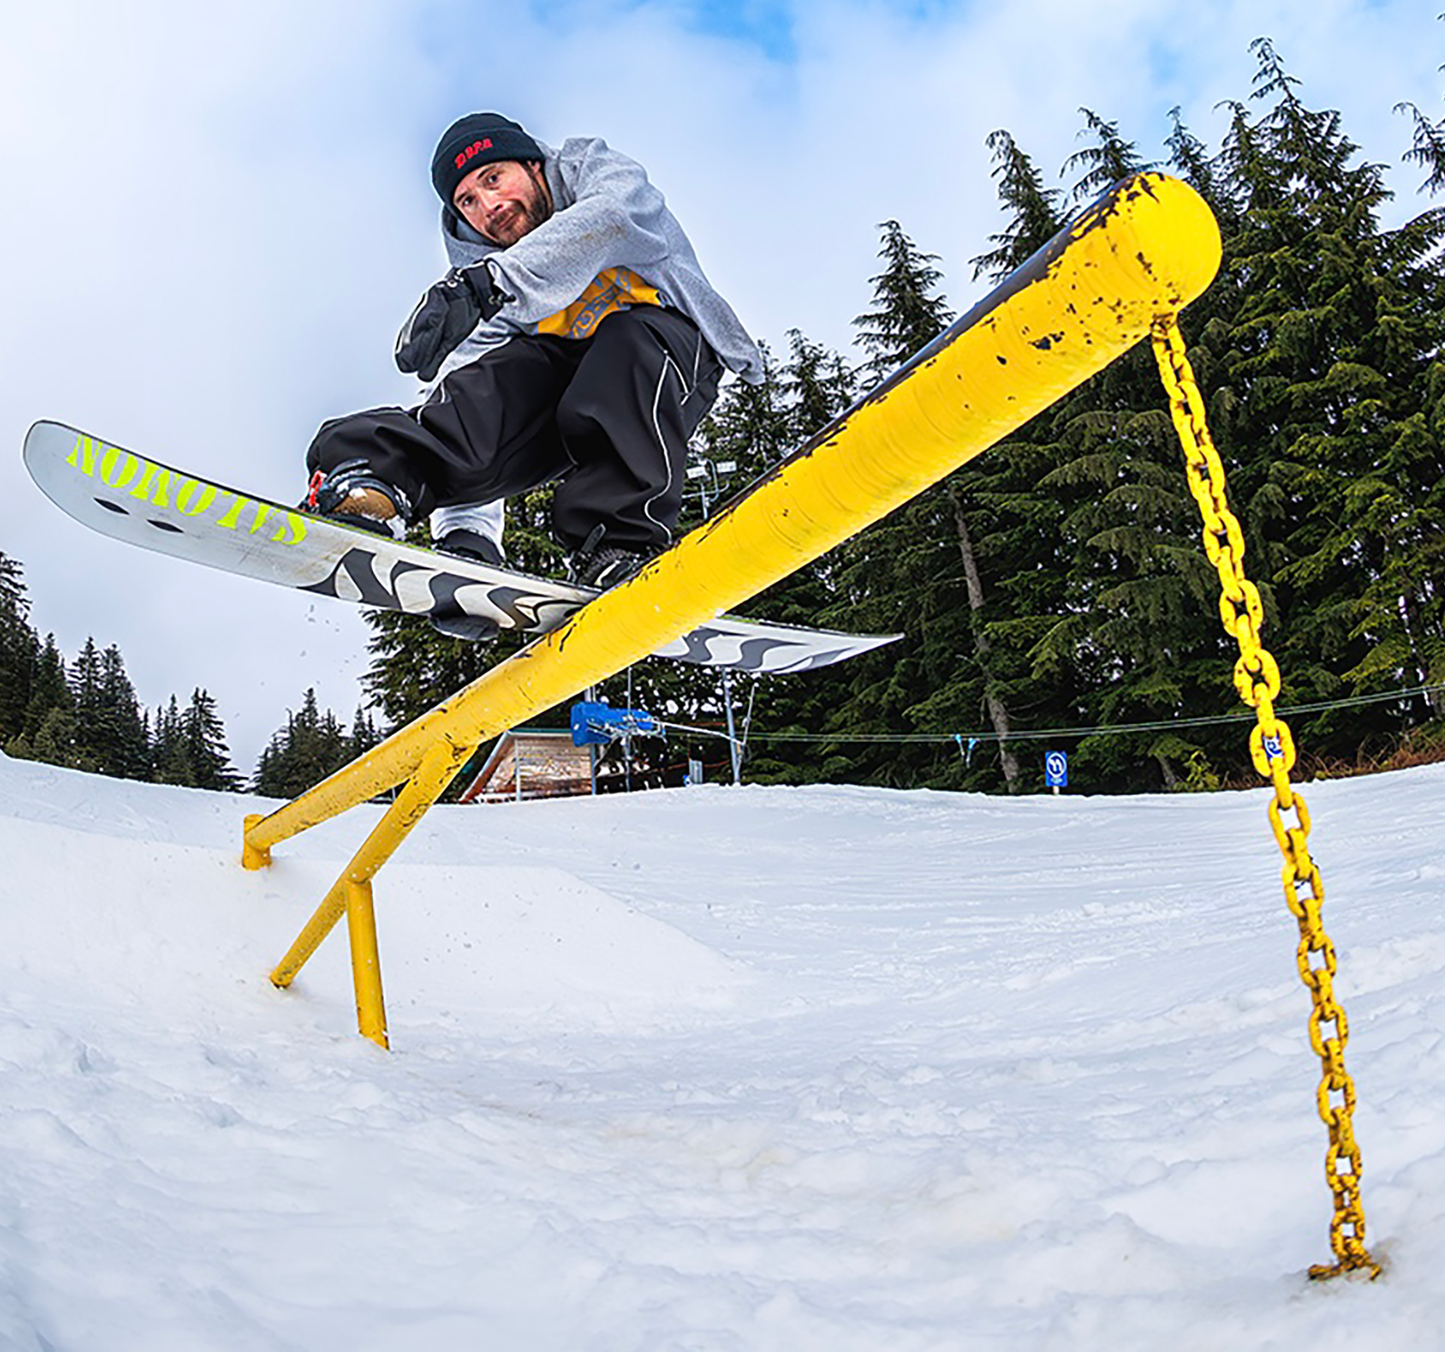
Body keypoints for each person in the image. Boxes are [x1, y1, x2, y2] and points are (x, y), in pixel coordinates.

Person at [302, 112, 764, 591]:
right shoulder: (484, 290)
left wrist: (493, 284)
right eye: (469, 202)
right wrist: (469, 536)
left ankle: (619, 540)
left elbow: (616, 217)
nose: (490, 206)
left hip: (667, 359)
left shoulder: (592, 171)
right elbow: (474, 408)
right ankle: (368, 483)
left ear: (533, 166)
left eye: (493, 179)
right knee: (500, 376)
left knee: (624, 343)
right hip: (568, 391)